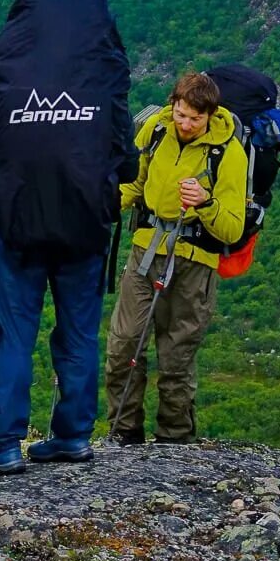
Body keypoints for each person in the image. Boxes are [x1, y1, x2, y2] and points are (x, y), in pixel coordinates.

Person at [0, 0, 133, 475]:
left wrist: (7, 209)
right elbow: (124, 158)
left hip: (20, 229)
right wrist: (98, 199)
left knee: (15, 334)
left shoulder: (12, 80)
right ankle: (73, 436)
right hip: (84, 229)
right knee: (79, 333)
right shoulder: (100, 80)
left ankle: (4, 445)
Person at [102, 70, 247, 446]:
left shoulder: (227, 151)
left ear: (210, 114)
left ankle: (174, 441)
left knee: (176, 359)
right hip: (145, 252)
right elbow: (135, 181)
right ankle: (123, 433)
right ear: (173, 104)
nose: (185, 124)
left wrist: (205, 202)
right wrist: (98, 210)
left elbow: (232, 228)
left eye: (195, 119)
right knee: (123, 345)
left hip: (194, 262)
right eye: (181, 114)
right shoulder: (156, 129)